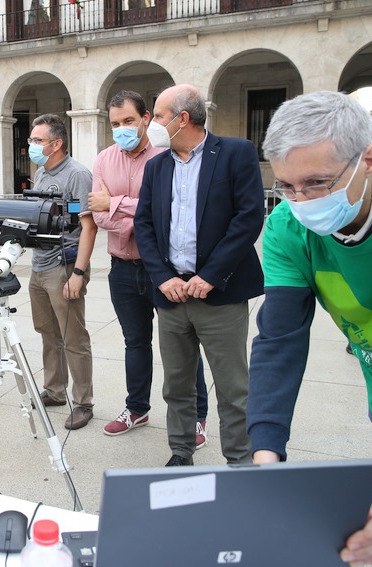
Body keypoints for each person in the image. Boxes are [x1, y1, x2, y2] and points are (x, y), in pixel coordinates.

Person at [248, 90, 372, 567]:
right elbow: (279, 340)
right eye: (286, 186)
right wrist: (265, 451)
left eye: (316, 183)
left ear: (369, 158)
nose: (300, 201)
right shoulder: (287, 227)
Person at [133, 84, 264, 466]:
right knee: (177, 385)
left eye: (157, 116)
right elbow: (144, 224)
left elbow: (248, 218)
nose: (152, 124)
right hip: (172, 297)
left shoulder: (236, 153)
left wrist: (210, 275)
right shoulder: (157, 165)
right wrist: (162, 278)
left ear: (182, 119)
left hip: (218, 295)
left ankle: (239, 460)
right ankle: (181, 452)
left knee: (232, 387)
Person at [90, 90, 210, 446]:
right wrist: (136, 214)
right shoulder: (103, 160)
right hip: (122, 268)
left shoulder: (167, 155)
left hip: (165, 269)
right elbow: (97, 214)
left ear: (145, 118)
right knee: (135, 342)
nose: (121, 128)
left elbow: (170, 212)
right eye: (114, 124)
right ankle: (136, 408)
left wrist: (116, 204)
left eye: (128, 121)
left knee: (184, 345)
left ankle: (197, 416)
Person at [25, 113, 97, 430]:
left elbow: (87, 226)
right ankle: (54, 390)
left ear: (57, 143)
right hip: (39, 265)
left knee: (73, 337)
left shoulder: (77, 174)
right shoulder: (41, 173)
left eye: (37, 140)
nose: (32, 145)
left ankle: (83, 403)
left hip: (63, 266)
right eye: (32, 140)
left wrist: (78, 273)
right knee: (48, 333)